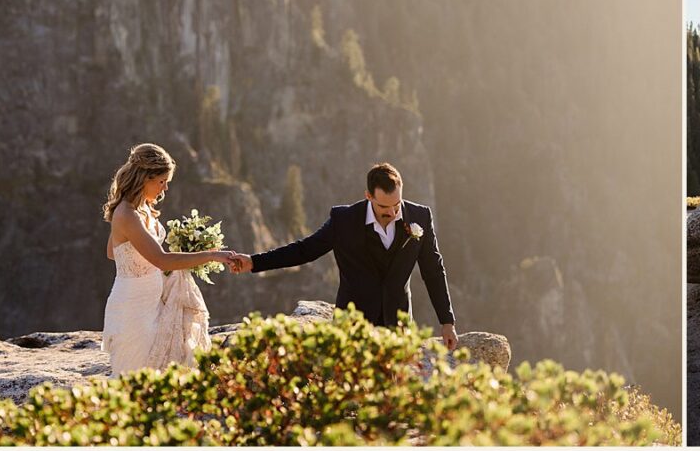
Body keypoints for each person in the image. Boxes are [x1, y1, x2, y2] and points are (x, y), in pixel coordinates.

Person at [227, 163, 459, 350]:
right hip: (352, 323)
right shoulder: (344, 220)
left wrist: (447, 321)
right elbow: (304, 250)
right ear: (368, 195)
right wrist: (255, 261)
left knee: (391, 399)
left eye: (397, 205)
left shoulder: (420, 216)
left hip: (397, 324)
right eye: (384, 207)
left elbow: (433, 271)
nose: (392, 212)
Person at [101, 143, 240, 374]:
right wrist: (213, 255)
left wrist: (149, 260)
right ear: (145, 177)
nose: (164, 189)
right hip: (133, 307)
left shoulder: (143, 207)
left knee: (160, 371)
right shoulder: (126, 213)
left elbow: (112, 251)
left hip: (154, 300)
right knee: (136, 376)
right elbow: (162, 260)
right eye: (161, 182)